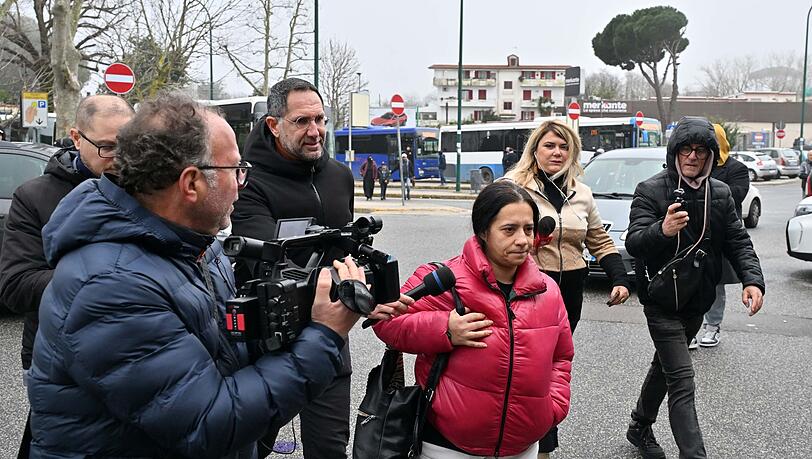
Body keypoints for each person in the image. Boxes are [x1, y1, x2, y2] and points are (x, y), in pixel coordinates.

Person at [25, 91, 397, 458]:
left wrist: (305, 314)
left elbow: (227, 355)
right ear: (191, 184)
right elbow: (208, 424)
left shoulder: (197, 246)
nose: (242, 183)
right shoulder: (111, 286)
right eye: (235, 170)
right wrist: (324, 335)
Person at [374, 181, 574, 459]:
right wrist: (445, 329)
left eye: (528, 229)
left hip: (523, 448)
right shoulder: (444, 280)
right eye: (509, 229)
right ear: (483, 231)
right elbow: (387, 322)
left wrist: (552, 408)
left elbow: (561, 357)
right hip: (446, 447)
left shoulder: (547, 290)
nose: (523, 240)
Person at [0, 95, 134, 457]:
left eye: (128, 145)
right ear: (76, 138)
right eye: (107, 147)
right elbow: (16, 286)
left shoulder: (148, 189)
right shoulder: (34, 197)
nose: (119, 158)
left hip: (132, 350)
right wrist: (108, 279)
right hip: (57, 357)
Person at [230, 77, 356, 458]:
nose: (315, 131)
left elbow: (346, 251)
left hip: (329, 335)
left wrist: (363, 287)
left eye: (320, 119)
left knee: (329, 450)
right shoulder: (248, 182)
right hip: (266, 341)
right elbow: (267, 263)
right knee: (249, 448)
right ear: (273, 124)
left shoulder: (340, 177)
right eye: (302, 121)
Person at [625, 116, 765, 459]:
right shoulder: (650, 189)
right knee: (682, 379)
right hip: (660, 299)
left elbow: (738, 241)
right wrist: (662, 229)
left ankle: (639, 425)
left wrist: (752, 280)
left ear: (710, 155)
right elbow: (634, 242)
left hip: (697, 299)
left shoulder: (720, 192)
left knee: (666, 368)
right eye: (686, 149)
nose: (692, 156)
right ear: (675, 152)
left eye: (701, 150)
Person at [503, 120, 629, 456]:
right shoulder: (513, 187)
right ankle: (531, 442)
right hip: (525, 289)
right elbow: (491, 236)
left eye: (564, 147)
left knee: (552, 366)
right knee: (527, 367)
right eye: (549, 145)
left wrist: (619, 278)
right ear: (535, 150)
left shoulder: (581, 193)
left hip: (569, 291)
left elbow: (599, 238)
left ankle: (540, 439)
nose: (557, 152)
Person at [690, 124, 750, 349]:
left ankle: (712, 326)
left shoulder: (737, 169)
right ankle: (690, 328)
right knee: (690, 282)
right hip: (693, 233)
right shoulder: (694, 165)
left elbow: (735, 195)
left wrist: (702, 189)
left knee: (715, 283)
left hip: (720, 236)